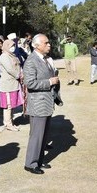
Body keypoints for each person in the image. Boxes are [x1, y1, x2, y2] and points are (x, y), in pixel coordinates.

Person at [23, 34, 59, 174]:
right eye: (46, 43)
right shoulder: (31, 61)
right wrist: (49, 82)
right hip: (38, 104)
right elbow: (30, 83)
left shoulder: (45, 59)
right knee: (37, 135)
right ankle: (31, 163)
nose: (49, 45)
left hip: (46, 102)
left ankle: (39, 160)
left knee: (44, 135)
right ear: (36, 45)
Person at [0, 39, 23, 131]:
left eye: (14, 46)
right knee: (8, 105)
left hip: (13, 84)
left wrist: (21, 73)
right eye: (11, 46)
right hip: (7, 85)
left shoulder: (12, 55)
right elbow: (10, 69)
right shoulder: (4, 56)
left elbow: (18, 66)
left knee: (12, 104)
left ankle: (11, 122)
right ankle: (8, 124)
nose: (13, 48)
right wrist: (18, 75)